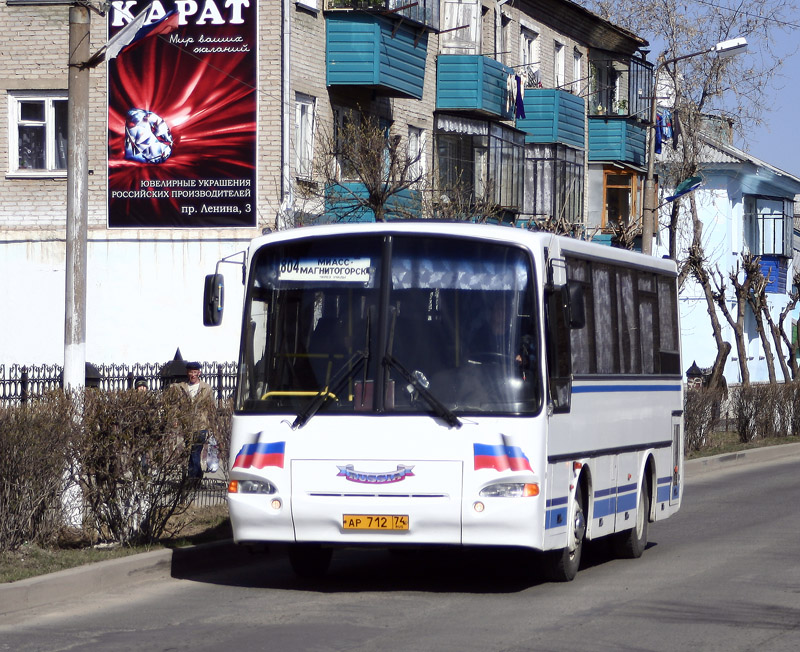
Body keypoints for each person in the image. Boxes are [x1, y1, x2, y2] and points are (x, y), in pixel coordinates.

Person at [179, 361, 215, 479]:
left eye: (195, 372)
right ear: (187, 373)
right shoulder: (182, 387)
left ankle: (192, 479)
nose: (193, 375)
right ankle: (198, 475)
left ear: (199, 373)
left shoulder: (206, 388)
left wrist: (211, 425)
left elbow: (211, 407)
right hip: (187, 425)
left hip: (201, 425)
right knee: (191, 452)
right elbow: (177, 405)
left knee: (195, 451)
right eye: (191, 372)